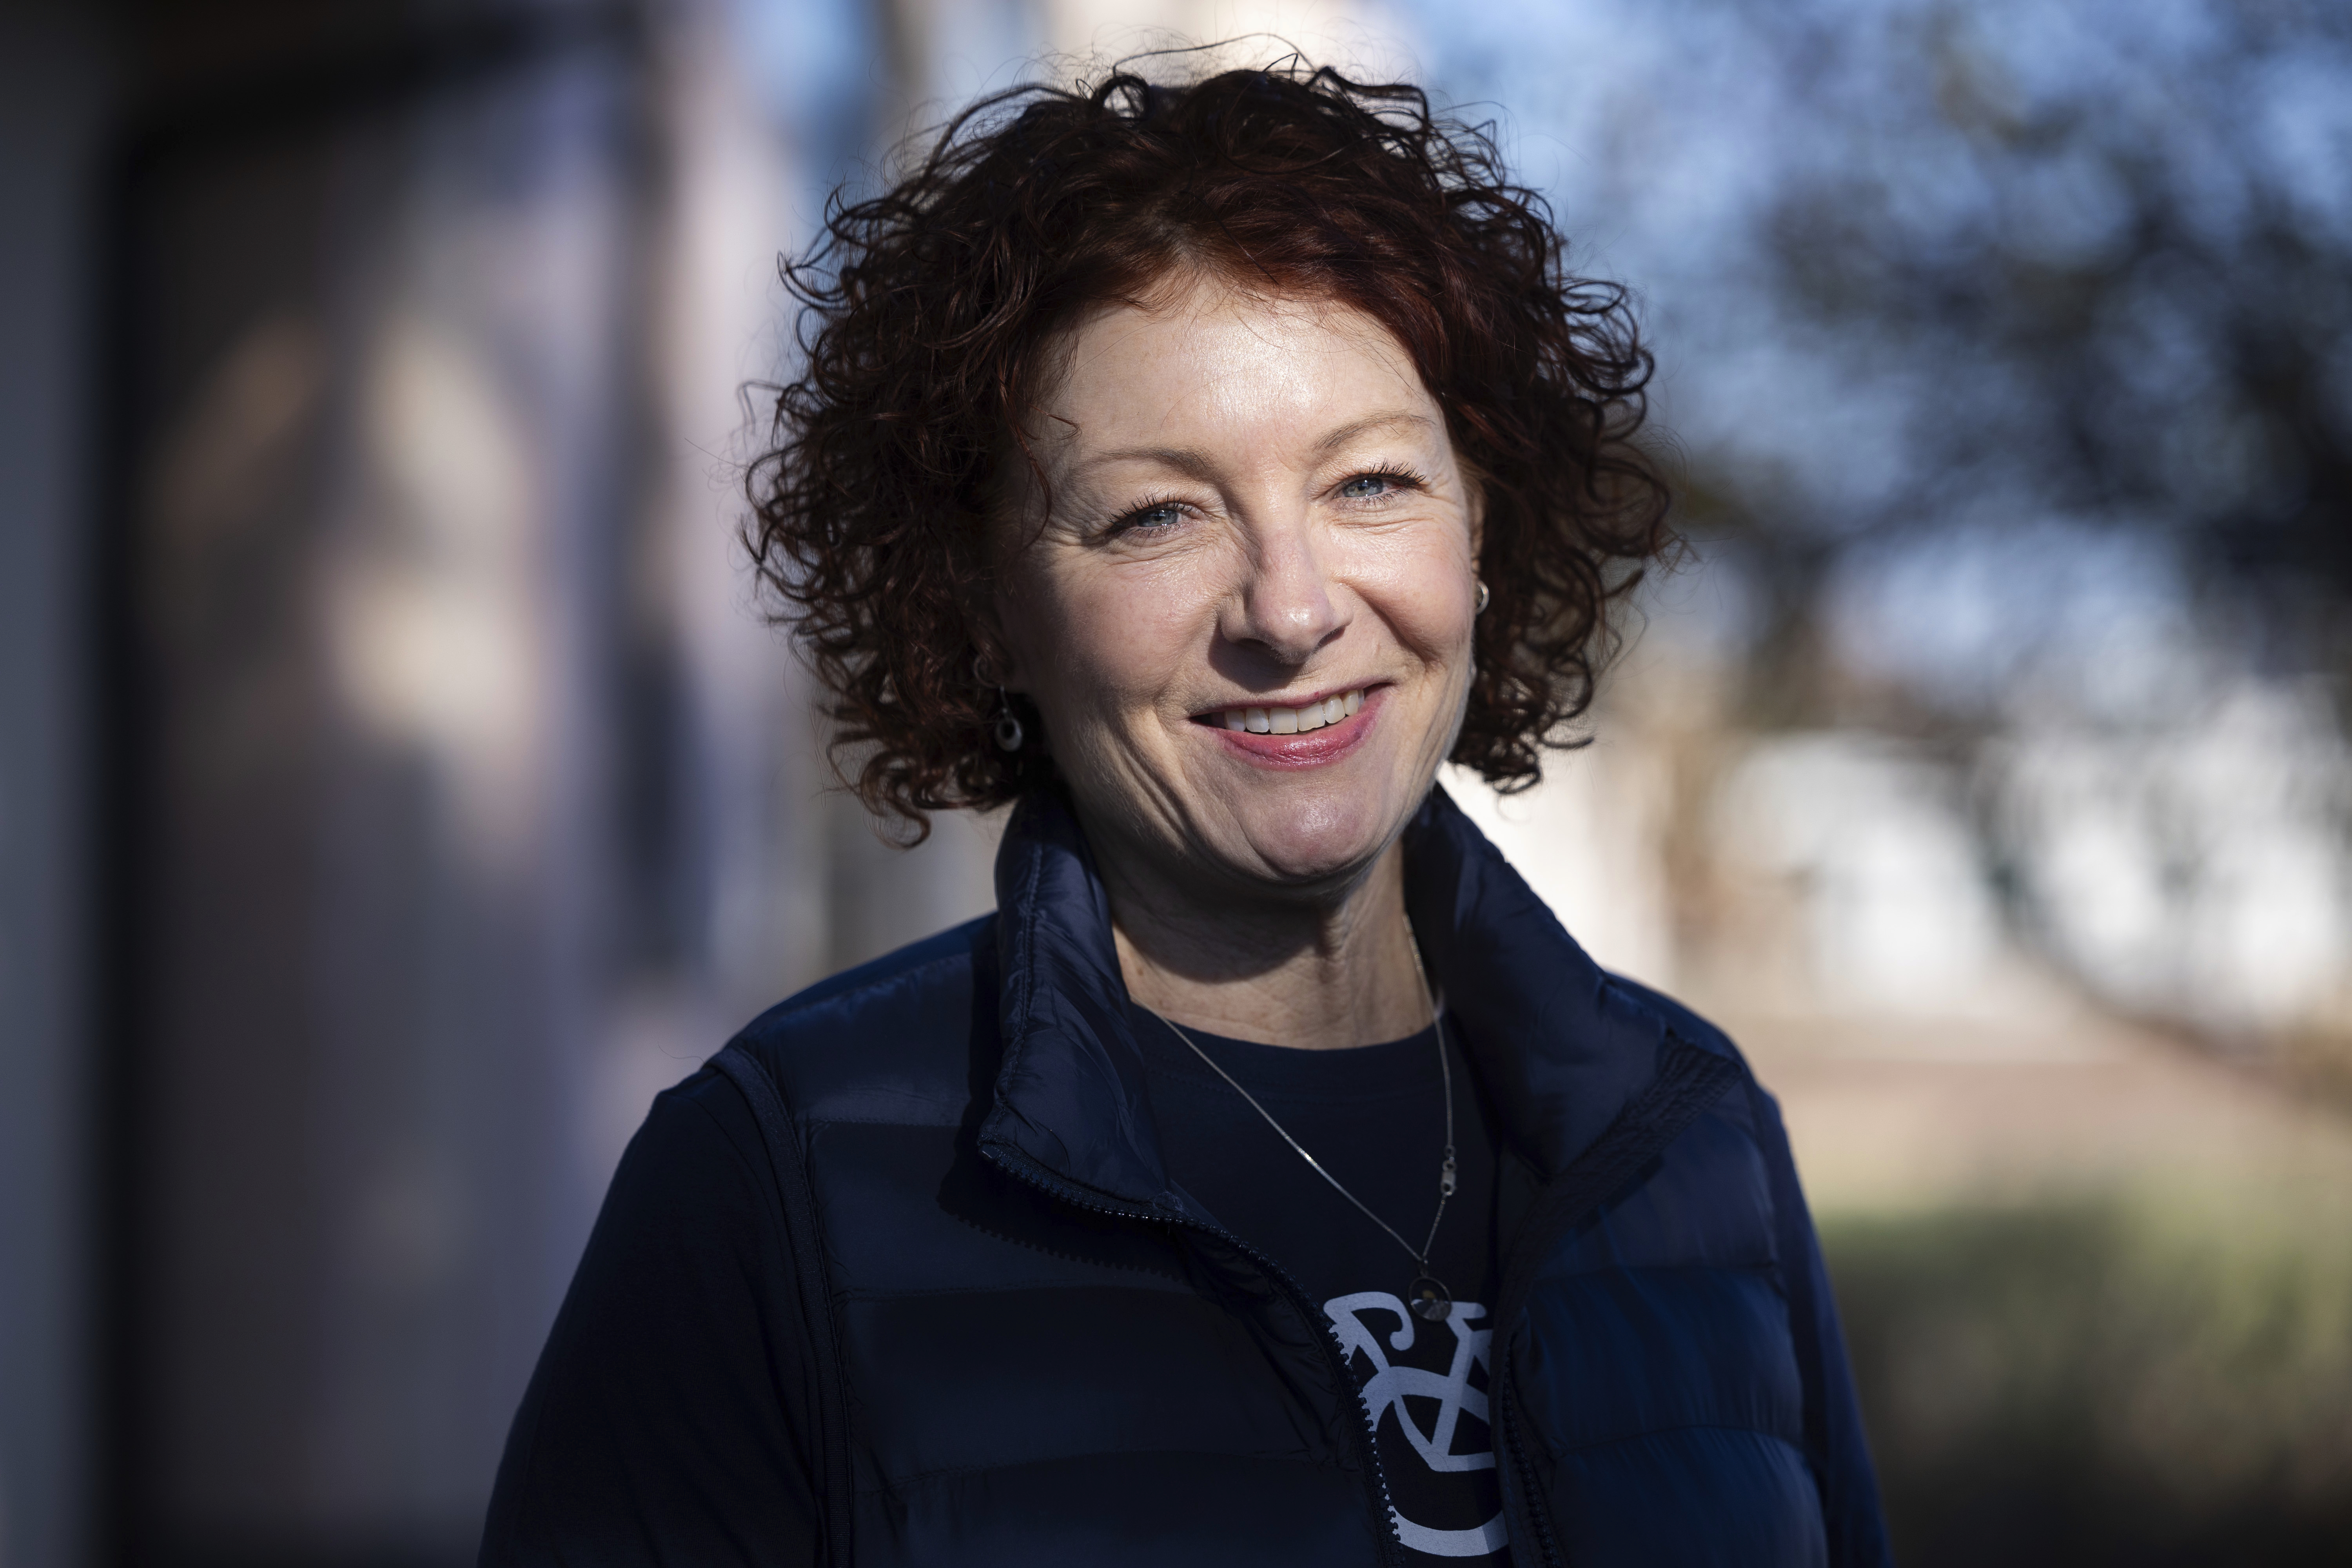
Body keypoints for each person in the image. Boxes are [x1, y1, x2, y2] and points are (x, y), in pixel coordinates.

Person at [481, 59, 1891, 1568]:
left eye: (1368, 484)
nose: (1291, 609)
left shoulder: (1691, 1138)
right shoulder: (775, 1180)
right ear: (985, 605)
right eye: (1159, 514)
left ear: (1482, 525)